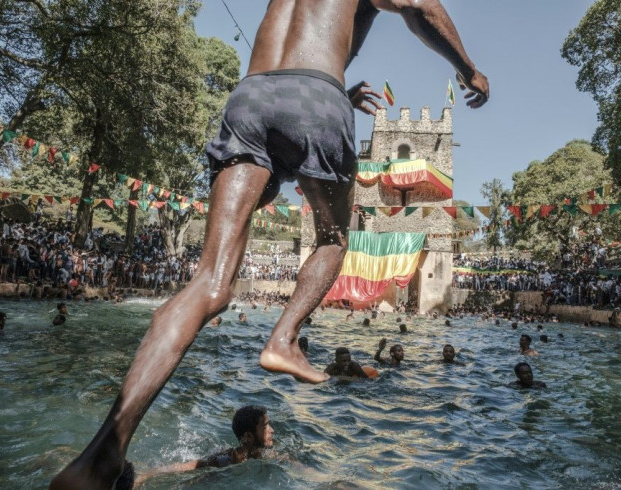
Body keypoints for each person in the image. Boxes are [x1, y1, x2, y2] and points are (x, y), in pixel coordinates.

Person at [51, 0, 489, 486]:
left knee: (209, 285)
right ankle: (284, 338)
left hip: (251, 97)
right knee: (334, 238)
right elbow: (417, 5)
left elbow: (300, 40)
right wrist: (468, 69)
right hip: (316, 98)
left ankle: (101, 458)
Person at [134, 406, 275, 486]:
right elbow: (185, 466)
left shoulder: (269, 456)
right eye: (266, 426)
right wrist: (145, 476)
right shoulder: (225, 459)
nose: (272, 430)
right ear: (248, 436)